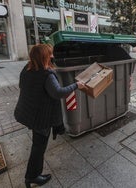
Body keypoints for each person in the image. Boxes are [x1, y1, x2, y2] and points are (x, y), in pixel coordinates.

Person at [14, 44, 85, 188]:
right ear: (44, 56)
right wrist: (77, 86)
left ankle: (32, 175)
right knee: (38, 147)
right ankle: (32, 176)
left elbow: (22, 86)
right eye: (50, 54)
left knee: (37, 144)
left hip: (27, 111)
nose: (52, 56)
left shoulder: (28, 69)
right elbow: (58, 93)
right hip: (40, 117)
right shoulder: (46, 74)